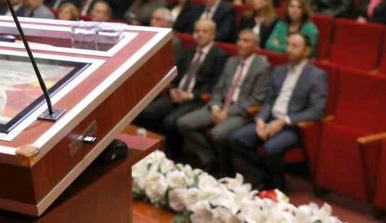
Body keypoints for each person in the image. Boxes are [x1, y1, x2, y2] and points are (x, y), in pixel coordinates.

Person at [228, 32, 327, 191]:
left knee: (271, 148)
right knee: (235, 138)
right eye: (288, 45)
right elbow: (269, 100)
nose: (289, 49)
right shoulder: (279, 70)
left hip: (293, 126)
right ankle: (265, 176)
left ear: (307, 51)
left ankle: (278, 187)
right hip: (269, 119)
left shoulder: (316, 76)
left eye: (295, 46)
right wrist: (260, 120)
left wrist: (283, 121)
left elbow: (317, 110)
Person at [177, 30, 272, 177]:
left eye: (246, 41)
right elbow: (218, 89)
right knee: (184, 123)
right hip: (219, 106)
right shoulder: (231, 61)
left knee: (218, 133)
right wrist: (215, 107)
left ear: (256, 46)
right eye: (239, 39)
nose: (240, 43)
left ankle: (226, 170)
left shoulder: (262, 66)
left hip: (241, 112)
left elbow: (255, 99)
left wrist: (227, 113)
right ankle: (210, 159)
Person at [135, 19, 228, 158]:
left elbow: (214, 85)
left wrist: (190, 96)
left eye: (204, 31)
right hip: (177, 94)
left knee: (170, 122)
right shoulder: (189, 51)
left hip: (196, 99)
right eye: (197, 31)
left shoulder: (219, 55)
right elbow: (175, 74)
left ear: (213, 35)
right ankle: (154, 149)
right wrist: (173, 89)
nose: (200, 34)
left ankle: (172, 155)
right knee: (148, 113)